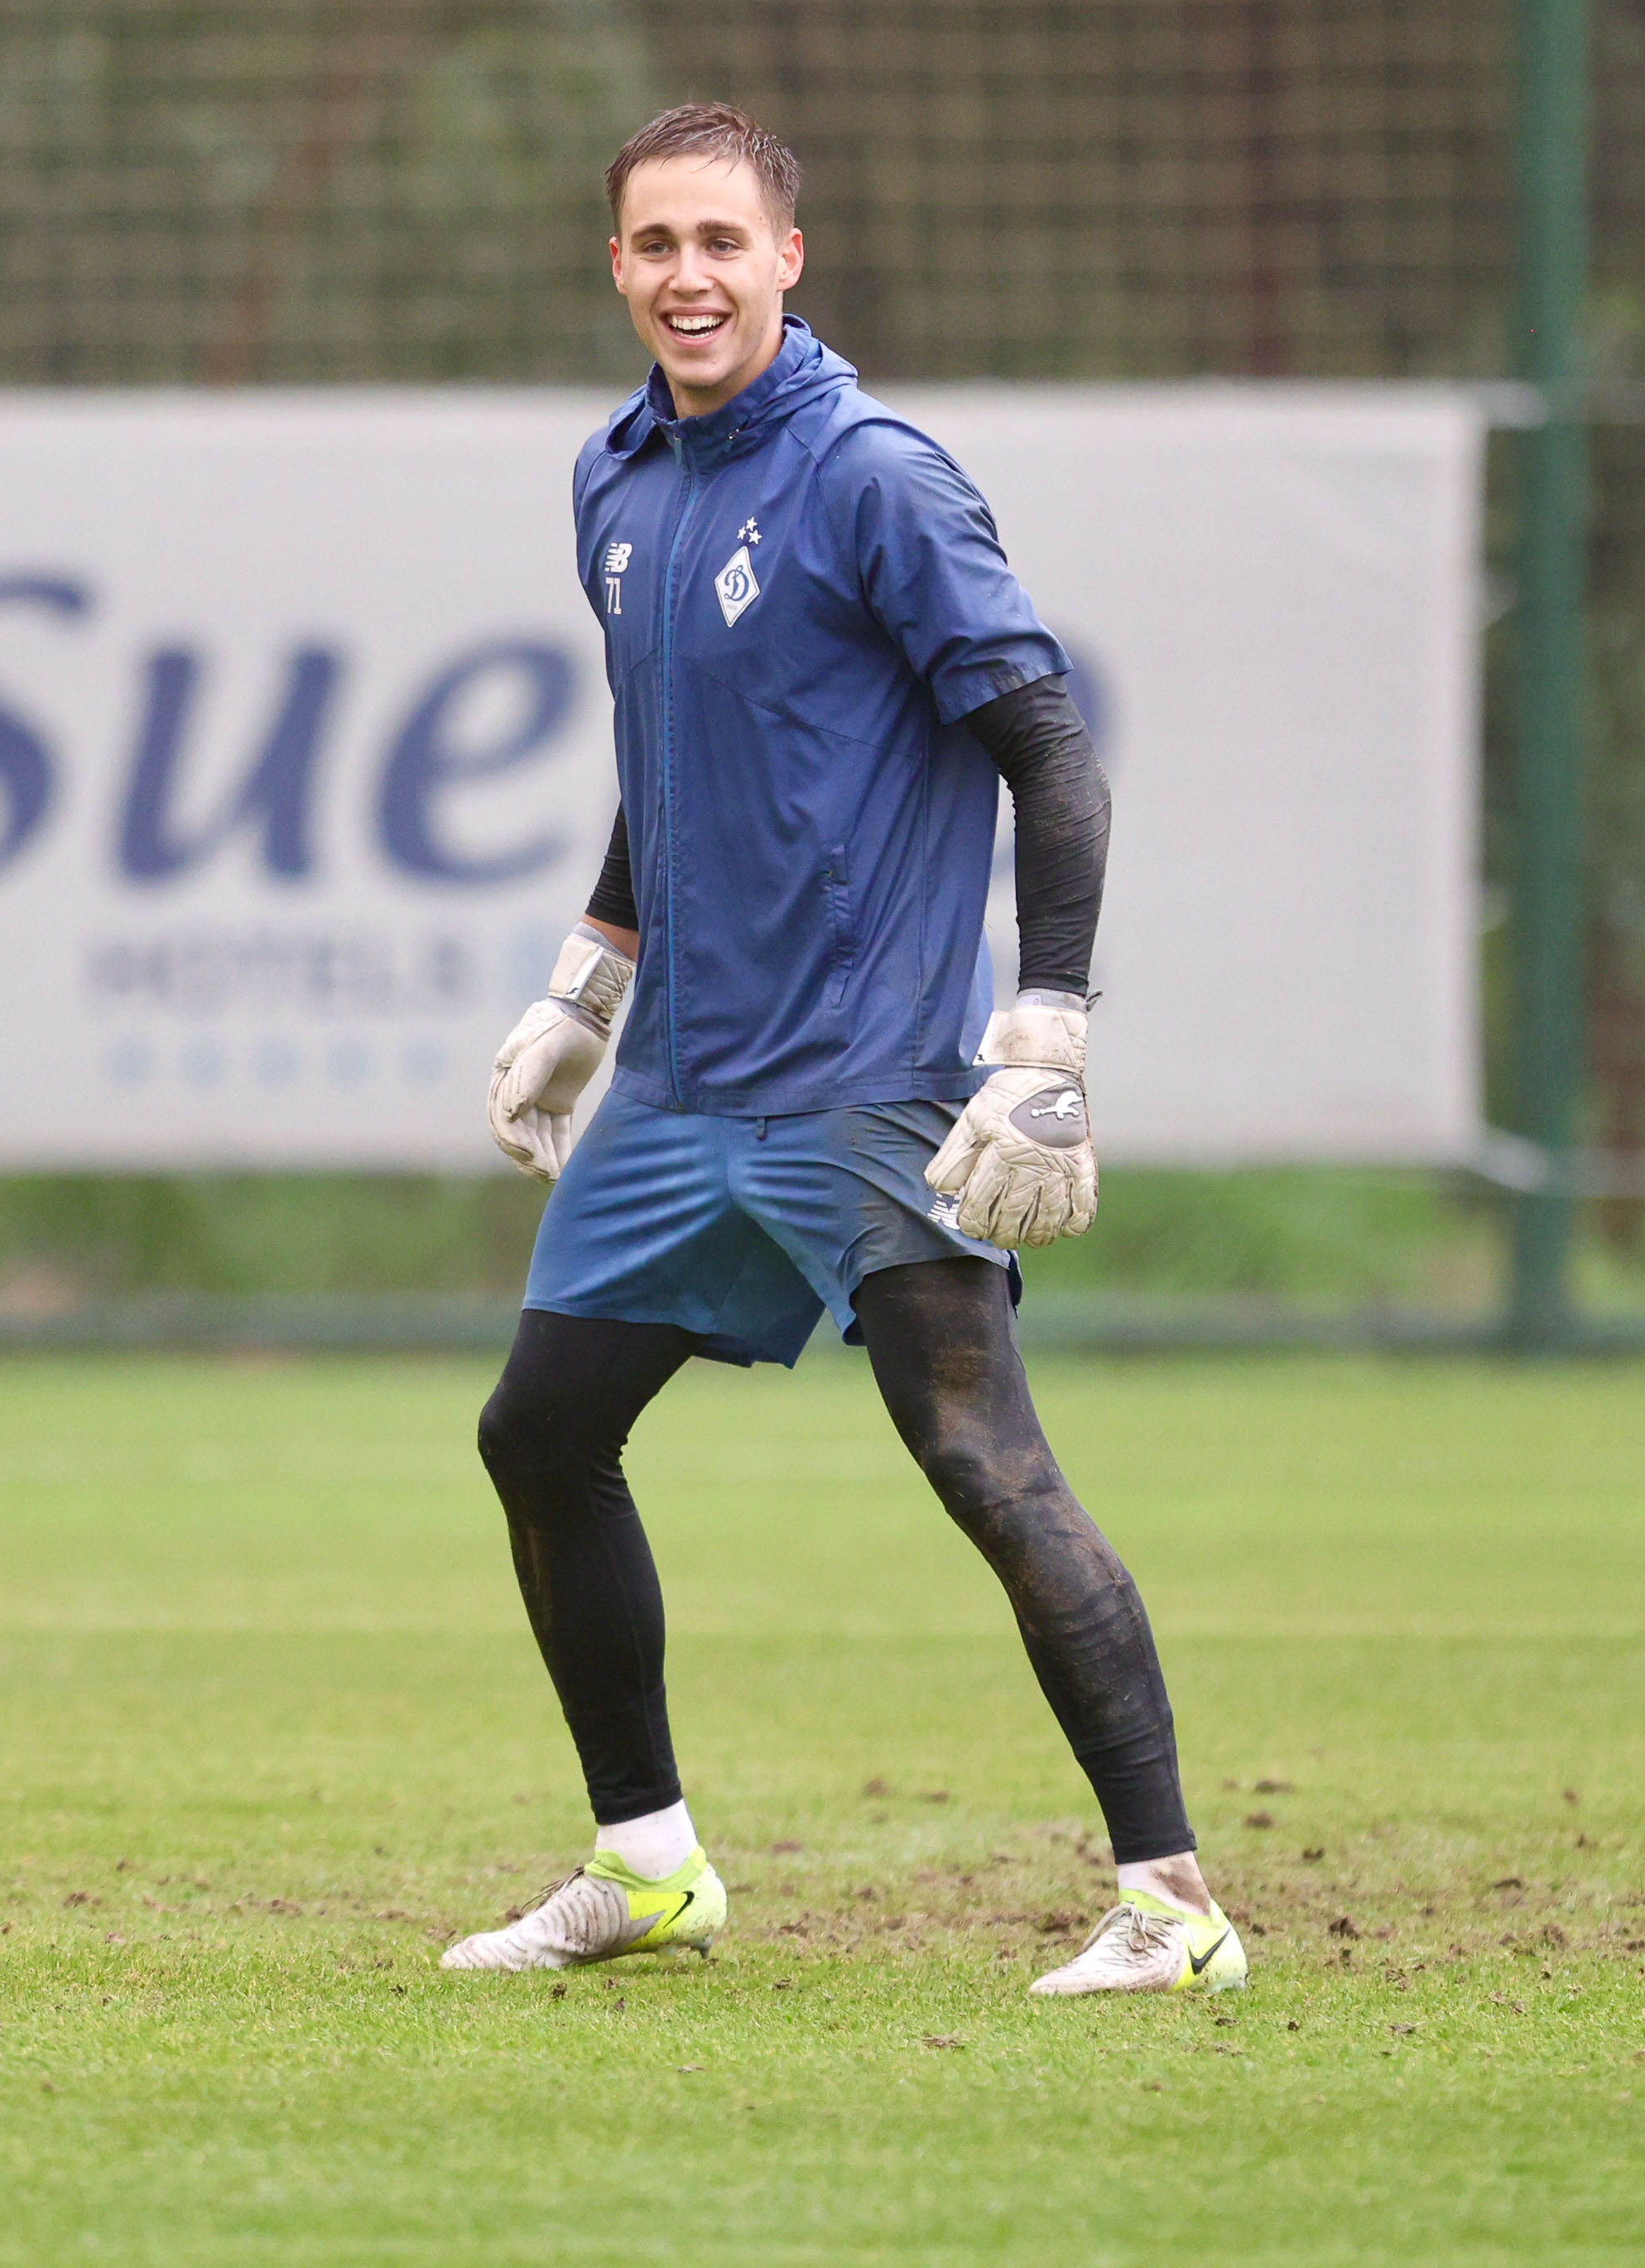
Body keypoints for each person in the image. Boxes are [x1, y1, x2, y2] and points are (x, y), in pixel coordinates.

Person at [436, 102, 1239, 1999]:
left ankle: (1175, 1905)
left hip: (866, 1081)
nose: (689, 275)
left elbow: (1051, 756)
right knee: (540, 1434)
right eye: (655, 244)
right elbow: (668, 759)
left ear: (788, 259)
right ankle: (647, 1867)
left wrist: (1047, 1029)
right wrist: (590, 984)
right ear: (615, 265)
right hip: (682, 1085)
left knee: (982, 1463)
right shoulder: (616, 478)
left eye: (723, 240)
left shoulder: (878, 476)